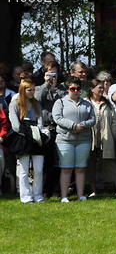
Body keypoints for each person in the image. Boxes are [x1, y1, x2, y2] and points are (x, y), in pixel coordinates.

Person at [52, 76, 96, 202]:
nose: (75, 91)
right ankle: (64, 196)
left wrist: (82, 126)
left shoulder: (87, 103)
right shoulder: (60, 102)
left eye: (78, 88)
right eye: (72, 88)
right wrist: (73, 126)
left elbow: (93, 119)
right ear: (67, 89)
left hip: (83, 139)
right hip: (64, 140)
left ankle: (81, 195)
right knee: (66, 168)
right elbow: (57, 118)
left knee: (81, 168)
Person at [8, 78, 47, 203]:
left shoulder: (37, 104)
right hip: (22, 138)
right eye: (29, 90)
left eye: (34, 90)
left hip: (37, 138)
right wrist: (29, 135)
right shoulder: (14, 104)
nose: (32, 92)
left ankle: (38, 195)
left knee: (39, 169)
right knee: (24, 169)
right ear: (22, 90)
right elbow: (15, 125)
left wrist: (38, 135)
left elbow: (40, 122)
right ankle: (26, 197)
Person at [35, 61, 66, 197]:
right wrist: (47, 87)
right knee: (45, 161)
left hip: (59, 130)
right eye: (48, 74)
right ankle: (44, 190)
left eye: (54, 74)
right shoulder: (38, 89)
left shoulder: (62, 90)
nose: (51, 77)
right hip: (45, 129)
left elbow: (65, 103)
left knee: (57, 161)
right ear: (44, 75)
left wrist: (54, 88)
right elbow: (37, 101)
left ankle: (56, 190)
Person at [86, 79, 116, 198]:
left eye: (102, 87)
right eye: (99, 87)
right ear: (92, 89)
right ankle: (93, 191)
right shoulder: (86, 102)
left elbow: (115, 120)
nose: (102, 90)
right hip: (90, 138)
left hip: (106, 138)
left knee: (110, 163)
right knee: (90, 164)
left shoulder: (107, 103)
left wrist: (113, 134)